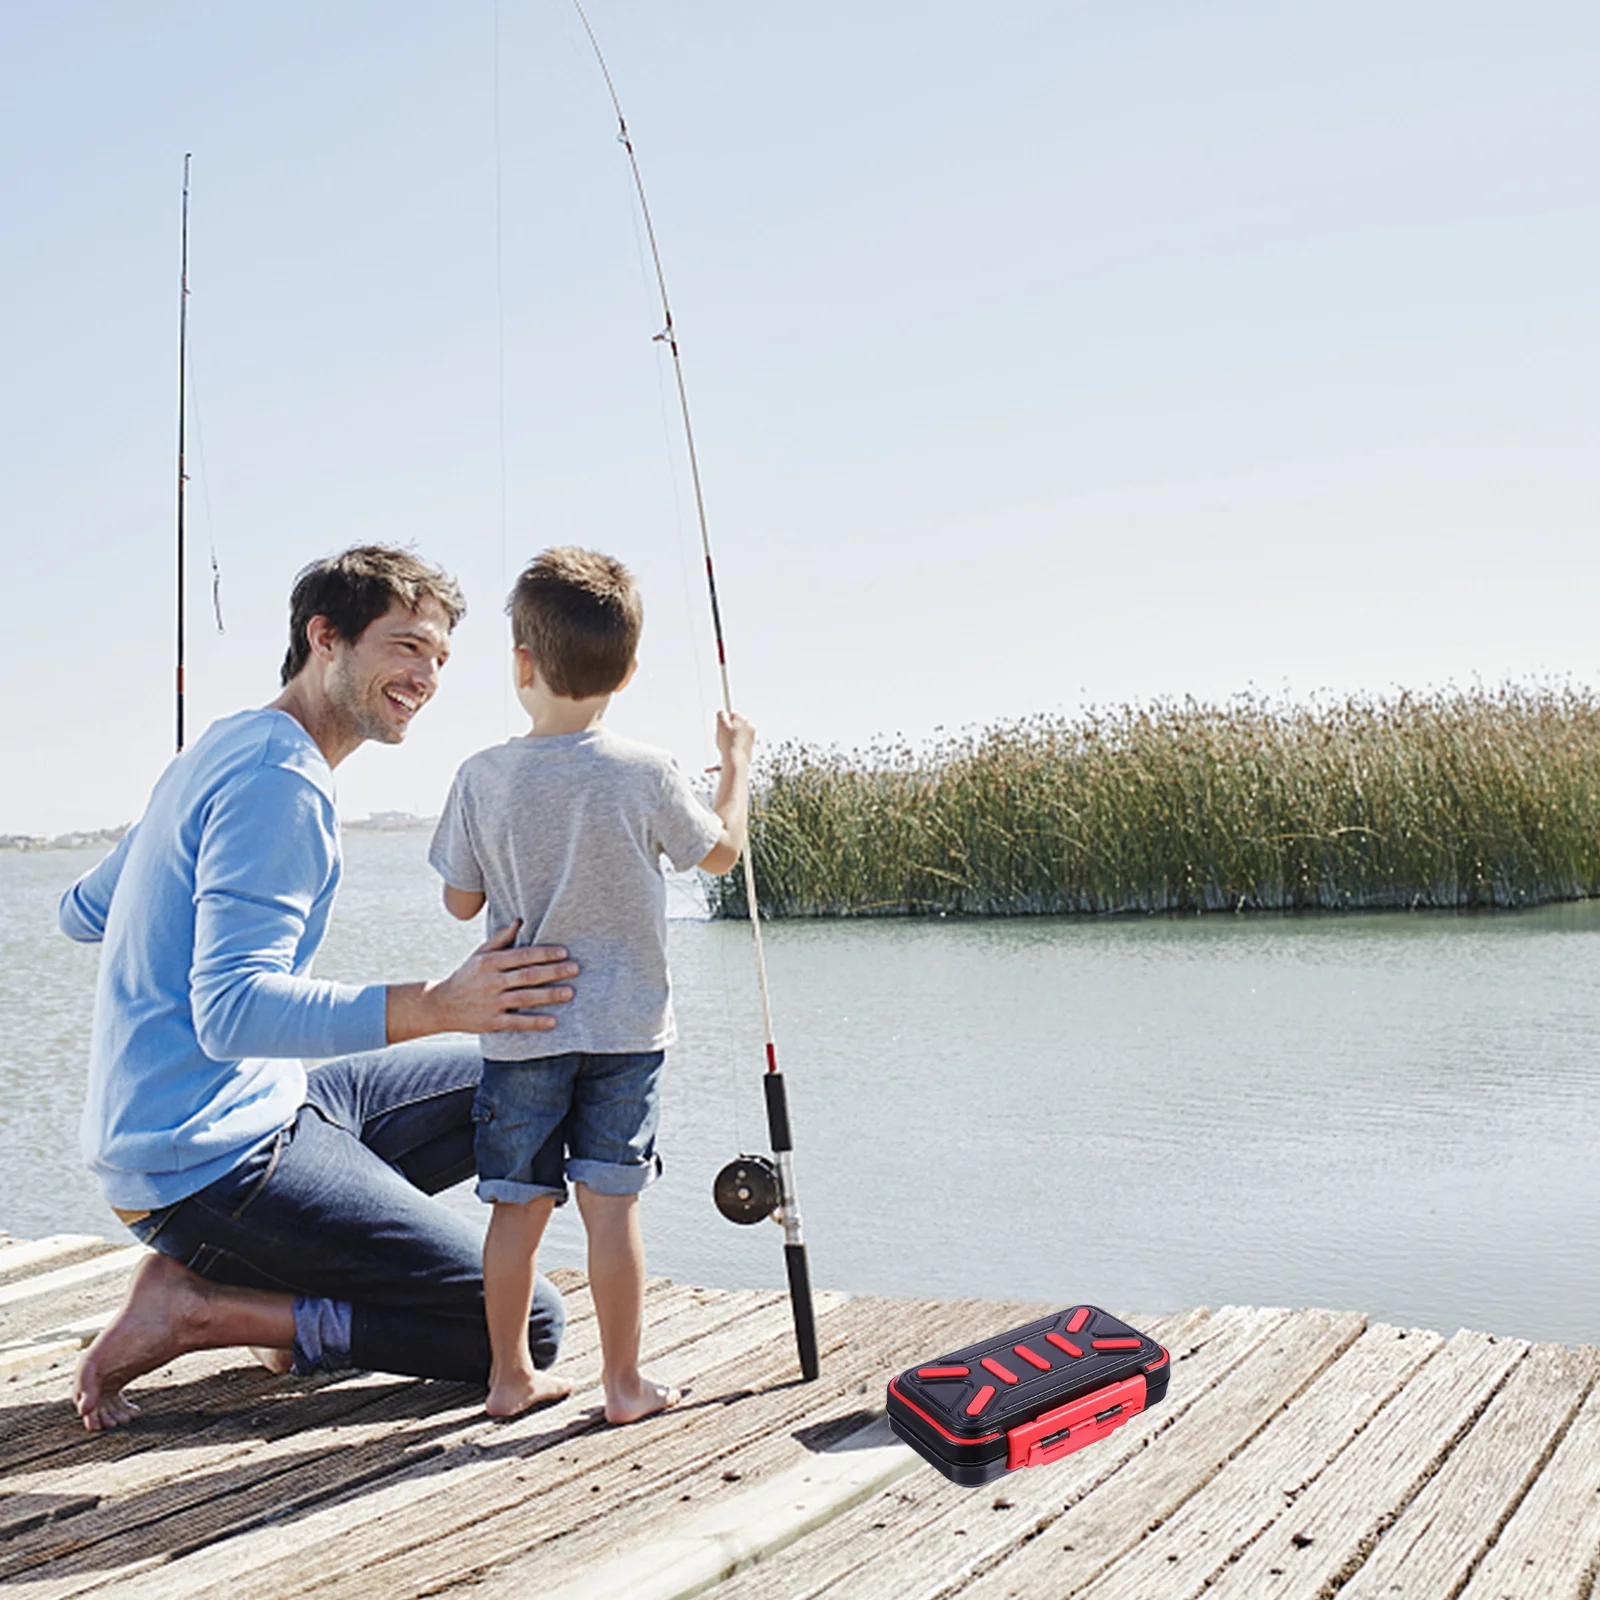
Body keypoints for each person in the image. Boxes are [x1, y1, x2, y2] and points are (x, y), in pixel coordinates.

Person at [60, 545, 582, 1430]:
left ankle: (276, 1263)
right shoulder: (278, 783)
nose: (426, 676)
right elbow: (230, 1014)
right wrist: (438, 1003)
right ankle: (209, 1309)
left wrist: (164, 863)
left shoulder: (227, 746)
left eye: (441, 659)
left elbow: (82, 911)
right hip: (207, 1163)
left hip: (260, 1108)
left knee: (534, 1087)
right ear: (325, 639)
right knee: (526, 1327)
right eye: (406, 647)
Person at [429, 547, 753, 1420]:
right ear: (630, 669)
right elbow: (722, 854)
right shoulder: (645, 771)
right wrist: (735, 766)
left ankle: (506, 1380)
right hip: (626, 1033)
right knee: (613, 1212)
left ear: (521, 664)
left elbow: (462, 904)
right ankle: (623, 1385)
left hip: (521, 1026)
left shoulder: (480, 775)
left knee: (515, 1214)